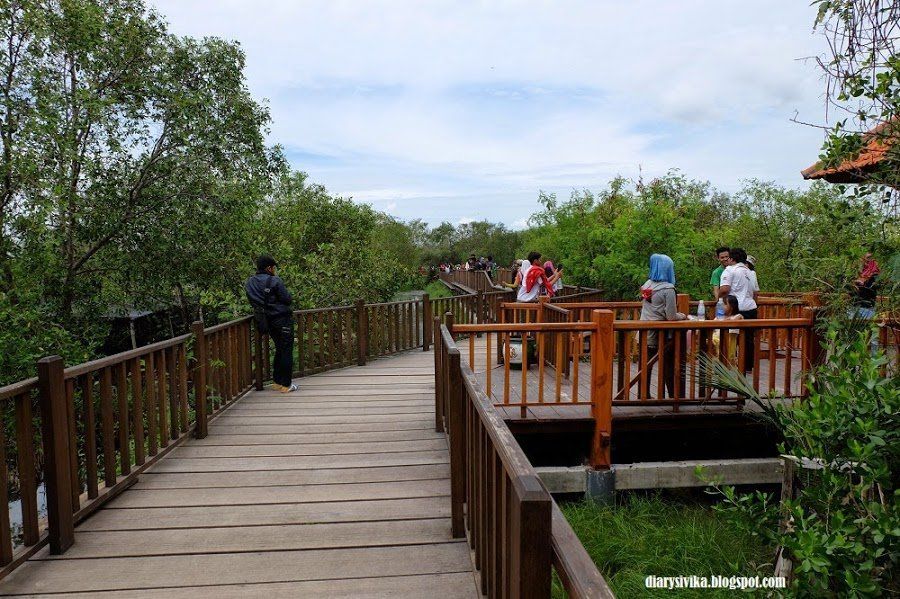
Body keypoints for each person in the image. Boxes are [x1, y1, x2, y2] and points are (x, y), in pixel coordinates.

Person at [244, 255, 298, 393]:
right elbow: (287, 299)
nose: (274, 270)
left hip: (266, 321)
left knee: (279, 349)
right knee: (285, 351)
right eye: (273, 267)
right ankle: (286, 385)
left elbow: (253, 300)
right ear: (269, 268)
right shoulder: (275, 281)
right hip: (282, 319)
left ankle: (277, 382)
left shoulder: (250, 283)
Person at [639, 254, 687, 399]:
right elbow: (671, 316)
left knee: (645, 366)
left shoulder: (647, 284)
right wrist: (684, 316)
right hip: (661, 334)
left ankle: (644, 395)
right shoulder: (668, 289)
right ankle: (674, 396)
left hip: (643, 330)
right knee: (669, 365)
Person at [718, 247, 758, 372]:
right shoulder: (750, 272)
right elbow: (755, 293)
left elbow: (725, 289)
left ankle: (728, 363)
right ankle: (747, 366)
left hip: (736, 308)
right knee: (748, 338)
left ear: (731, 258)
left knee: (730, 336)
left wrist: (718, 298)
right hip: (751, 307)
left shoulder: (729, 270)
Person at [851, 250, 880, 319]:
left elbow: (874, 287)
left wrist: (863, 282)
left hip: (867, 308)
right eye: (866, 258)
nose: (868, 260)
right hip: (854, 307)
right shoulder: (859, 272)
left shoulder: (875, 273)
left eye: (870, 257)